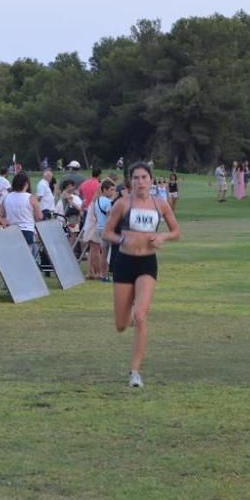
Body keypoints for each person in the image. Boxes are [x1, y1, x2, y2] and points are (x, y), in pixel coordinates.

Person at [102, 162, 181, 388]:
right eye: (135, 178)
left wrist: (162, 238)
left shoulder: (160, 204)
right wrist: (120, 239)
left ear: (151, 179)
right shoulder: (122, 204)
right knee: (121, 323)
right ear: (130, 181)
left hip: (147, 263)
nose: (140, 182)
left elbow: (176, 231)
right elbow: (107, 232)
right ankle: (126, 316)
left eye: (144, 177)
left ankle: (135, 372)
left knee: (141, 316)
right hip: (124, 263)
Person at [3, 171, 42, 260]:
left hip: (11, 230)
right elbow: (39, 216)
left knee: (14, 258)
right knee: (27, 259)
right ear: (26, 184)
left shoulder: (7, 197)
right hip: (26, 230)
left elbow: (3, 215)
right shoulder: (31, 197)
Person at [92, 179, 117, 281]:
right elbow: (109, 216)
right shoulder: (108, 202)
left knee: (104, 253)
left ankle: (103, 275)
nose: (113, 192)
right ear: (105, 190)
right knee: (111, 253)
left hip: (99, 228)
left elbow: (95, 215)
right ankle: (110, 275)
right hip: (107, 230)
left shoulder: (96, 201)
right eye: (111, 190)